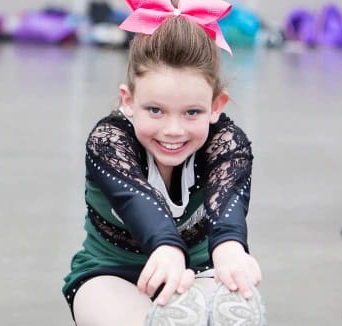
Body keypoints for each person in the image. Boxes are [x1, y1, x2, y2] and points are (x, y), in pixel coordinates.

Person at [62, 0, 265, 325]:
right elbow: (136, 199)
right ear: (128, 100)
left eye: (192, 112)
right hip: (111, 274)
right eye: (155, 110)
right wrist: (167, 247)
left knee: (223, 302)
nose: (173, 130)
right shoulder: (108, 141)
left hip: (196, 275)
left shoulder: (227, 142)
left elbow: (228, 206)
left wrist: (230, 249)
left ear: (216, 105)